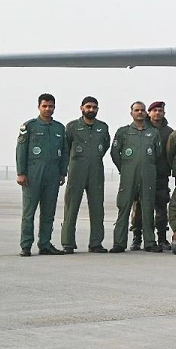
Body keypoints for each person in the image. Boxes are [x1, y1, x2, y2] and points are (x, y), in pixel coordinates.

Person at [17, 92, 68, 256]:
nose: (48, 109)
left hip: (52, 175)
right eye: (44, 106)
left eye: (51, 106)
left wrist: (62, 172)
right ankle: (26, 245)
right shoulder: (29, 126)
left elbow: (65, 152)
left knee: (48, 212)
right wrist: (21, 173)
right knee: (29, 212)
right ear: (39, 107)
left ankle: (45, 244)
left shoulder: (59, 128)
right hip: (32, 175)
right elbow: (21, 151)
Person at [110, 101, 163, 253]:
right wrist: (124, 168)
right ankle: (119, 243)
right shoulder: (123, 132)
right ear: (131, 113)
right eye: (136, 110)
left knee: (147, 208)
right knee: (124, 206)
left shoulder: (153, 133)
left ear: (146, 113)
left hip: (148, 174)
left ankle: (150, 242)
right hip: (128, 175)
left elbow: (157, 153)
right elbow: (115, 153)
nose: (140, 112)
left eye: (142, 110)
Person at [60, 96, 110, 254]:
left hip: (96, 170)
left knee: (97, 207)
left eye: (94, 107)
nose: (91, 110)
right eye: (88, 107)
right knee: (71, 206)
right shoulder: (72, 127)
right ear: (81, 108)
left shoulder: (103, 127)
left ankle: (96, 243)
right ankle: (68, 243)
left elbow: (105, 145)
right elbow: (66, 147)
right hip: (77, 169)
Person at [130, 101, 173, 251]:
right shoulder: (142, 128)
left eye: (160, 110)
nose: (157, 113)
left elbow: (171, 153)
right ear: (149, 112)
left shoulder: (169, 132)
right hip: (142, 175)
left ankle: (162, 238)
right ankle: (137, 237)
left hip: (160, 175)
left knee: (161, 208)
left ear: (164, 113)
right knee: (139, 208)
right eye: (154, 110)